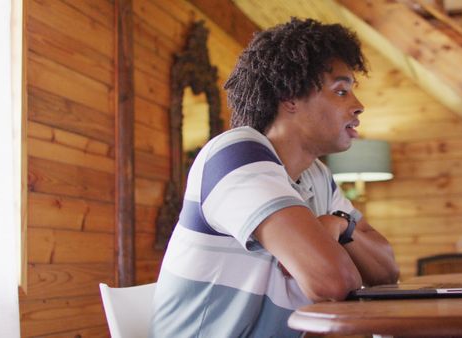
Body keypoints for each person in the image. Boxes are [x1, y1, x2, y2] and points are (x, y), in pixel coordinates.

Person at [150, 18, 399, 338]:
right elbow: (335, 282)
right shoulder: (235, 155)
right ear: (290, 96)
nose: (358, 106)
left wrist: (340, 224)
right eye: (341, 91)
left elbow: (386, 272)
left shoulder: (316, 176)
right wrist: (334, 246)